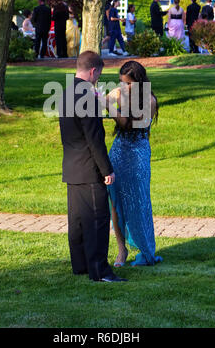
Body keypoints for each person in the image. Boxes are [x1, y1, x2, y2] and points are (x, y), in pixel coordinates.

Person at [59, 50, 127, 283]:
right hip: (89, 168)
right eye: (99, 73)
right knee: (97, 219)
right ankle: (100, 271)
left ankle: (81, 266)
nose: (98, 77)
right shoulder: (87, 95)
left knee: (77, 221)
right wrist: (106, 170)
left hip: (71, 166)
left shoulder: (66, 92)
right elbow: (94, 138)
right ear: (93, 71)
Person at [105, 61, 163, 267]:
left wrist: (110, 108)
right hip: (118, 152)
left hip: (137, 155)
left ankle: (146, 249)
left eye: (128, 83)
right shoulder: (121, 92)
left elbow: (130, 125)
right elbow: (104, 99)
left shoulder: (149, 100)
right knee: (115, 202)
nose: (123, 87)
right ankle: (122, 250)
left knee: (138, 201)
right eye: (121, 82)